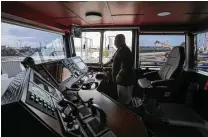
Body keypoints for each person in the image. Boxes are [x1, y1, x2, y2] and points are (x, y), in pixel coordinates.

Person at [103, 34, 135, 104]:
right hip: (119, 80)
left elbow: (127, 68)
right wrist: (104, 64)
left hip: (124, 81)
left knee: (124, 101)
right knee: (120, 99)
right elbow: (112, 60)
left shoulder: (126, 51)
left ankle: (126, 114)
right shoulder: (119, 49)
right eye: (115, 40)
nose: (114, 43)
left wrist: (117, 77)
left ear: (121, 41)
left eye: (116, 40)